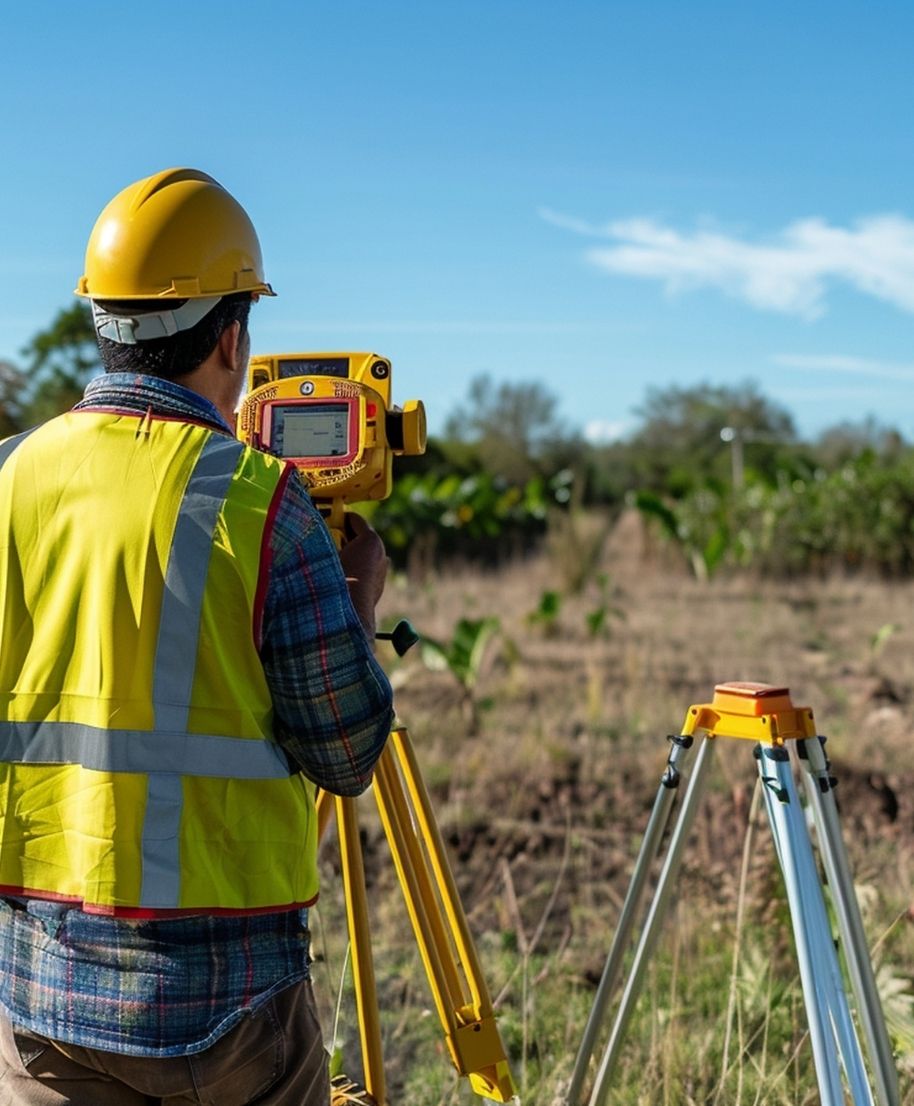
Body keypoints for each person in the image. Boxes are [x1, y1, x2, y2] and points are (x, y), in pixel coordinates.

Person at [0, 168, 394, 1105]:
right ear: (231, 335)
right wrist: (358, 612)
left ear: (99, 321)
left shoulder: (9, 475)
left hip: (38, 1000)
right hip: (224, 1011)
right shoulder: (265, 502)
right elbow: (344, 753)